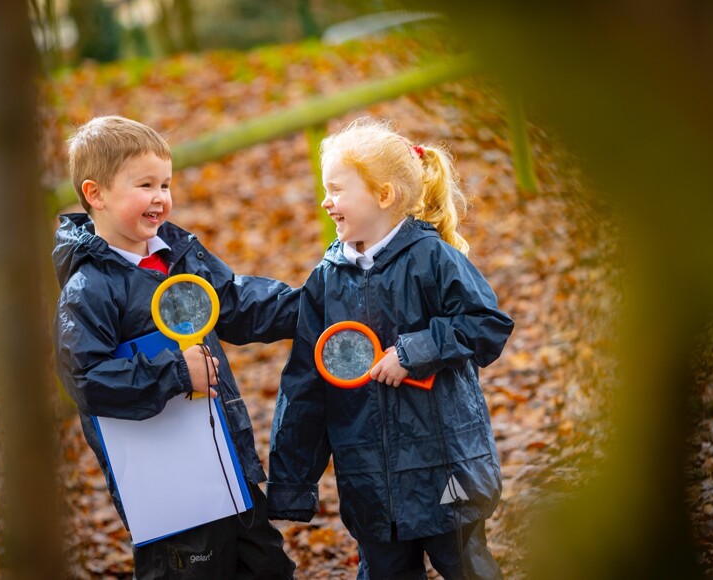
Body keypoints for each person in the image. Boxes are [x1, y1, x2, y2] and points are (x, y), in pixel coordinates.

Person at [267, 117, 514, 579]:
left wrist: (413, 351)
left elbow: (486, 324)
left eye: (337, 190)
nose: (326, 202)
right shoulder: (326, 280)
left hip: (446, 468)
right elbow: (304, 384)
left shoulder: (433, 258)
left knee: (466, 567)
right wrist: (291, 482)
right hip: (370, 482)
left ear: (384, 196)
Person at [52, 115, 297, 579]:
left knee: (267, 567)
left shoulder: (178, 254)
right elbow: (86, 380)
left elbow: (236, 303)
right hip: (170, 490)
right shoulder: (90, 289)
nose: (160, 197)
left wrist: (313, 306)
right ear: (95, 193)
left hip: (229, 466)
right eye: (144, 185)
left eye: (165, 183)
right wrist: (178, 373)